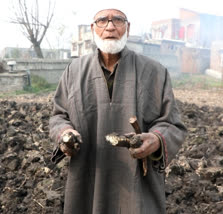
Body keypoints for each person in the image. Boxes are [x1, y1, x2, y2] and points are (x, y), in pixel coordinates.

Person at [49, 8, 187, 214]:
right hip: (87, 177)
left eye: (118, 20)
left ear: (128, 28)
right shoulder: (73, 71)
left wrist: (156, 139)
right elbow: (59, 116)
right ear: (93, 28)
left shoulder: (155, 71)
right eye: (103, 20)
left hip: (138, 181)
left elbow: (172, 124)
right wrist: (65, 135)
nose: (110, 26)